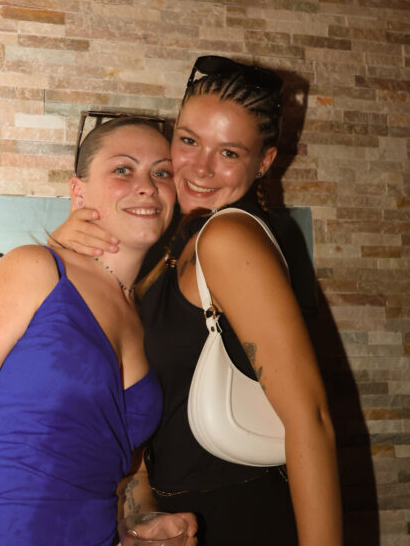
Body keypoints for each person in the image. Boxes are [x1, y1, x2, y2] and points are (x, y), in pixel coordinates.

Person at [50, 56, 343, 546]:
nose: (201, 167)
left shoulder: (228, 238)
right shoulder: (173, 245)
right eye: (188, 141)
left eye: (228, 152)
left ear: (264, 162)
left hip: (246, 519)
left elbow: (310, 419)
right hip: (181, 522)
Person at [0, 116, 196, 546]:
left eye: (161, 173)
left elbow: (123, 467)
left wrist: (140, 524)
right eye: (123, 169)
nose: (146, 186)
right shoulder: (37, 269)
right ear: (78, 192)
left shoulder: (144, 317)